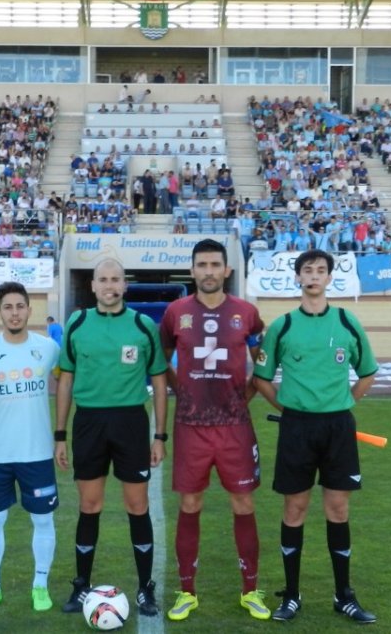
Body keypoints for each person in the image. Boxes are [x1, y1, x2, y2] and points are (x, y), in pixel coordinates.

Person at [252, 249, 379, 624]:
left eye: (320, 271)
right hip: (297, 428)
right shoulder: (282, 326)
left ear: (328, 278)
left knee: (338, 509)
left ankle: (344, 596)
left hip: (338, 427)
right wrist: (292, 408)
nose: (313, 276)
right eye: (307, 270)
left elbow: (368, 372)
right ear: (298, 278)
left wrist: (341, 404)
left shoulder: (346, 321)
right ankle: (291, 595)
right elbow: (261, 379)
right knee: (295, 509)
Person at [159, 239, 269, 621]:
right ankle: (187, 591)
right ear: (192, 270)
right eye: (201, 265)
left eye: (214, 265)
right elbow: (158, 363)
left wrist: (248, 396)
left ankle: (251, 591)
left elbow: (264, 364)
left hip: (235, 427)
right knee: (191, 505)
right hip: (191, 427)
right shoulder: (175, 313)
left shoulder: (247, 313)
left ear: (226, 271)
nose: (208, 271)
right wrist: (180, 391)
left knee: (244, 503)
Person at [54, 258, 168, 617]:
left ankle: (145, 588)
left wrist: (160, 435)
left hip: (131, 423)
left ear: (124, 285)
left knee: (138, 505)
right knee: (89, 505)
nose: (109, 285)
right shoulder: (77, 322)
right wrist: (60, 434)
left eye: (115, 279)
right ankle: (81, 585)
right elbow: (66, 380)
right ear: (92, 286)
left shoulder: (143, 325)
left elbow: (160, 382)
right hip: (88, 423)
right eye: (102, 279)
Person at [0, 281, 61, 614]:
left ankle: (41, 585)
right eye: (7, 307)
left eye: (20, 306)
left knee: (43, 521)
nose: (14, 313)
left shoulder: (48, 347)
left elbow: (68, 380)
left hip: (36, 453)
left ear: (29, 309)